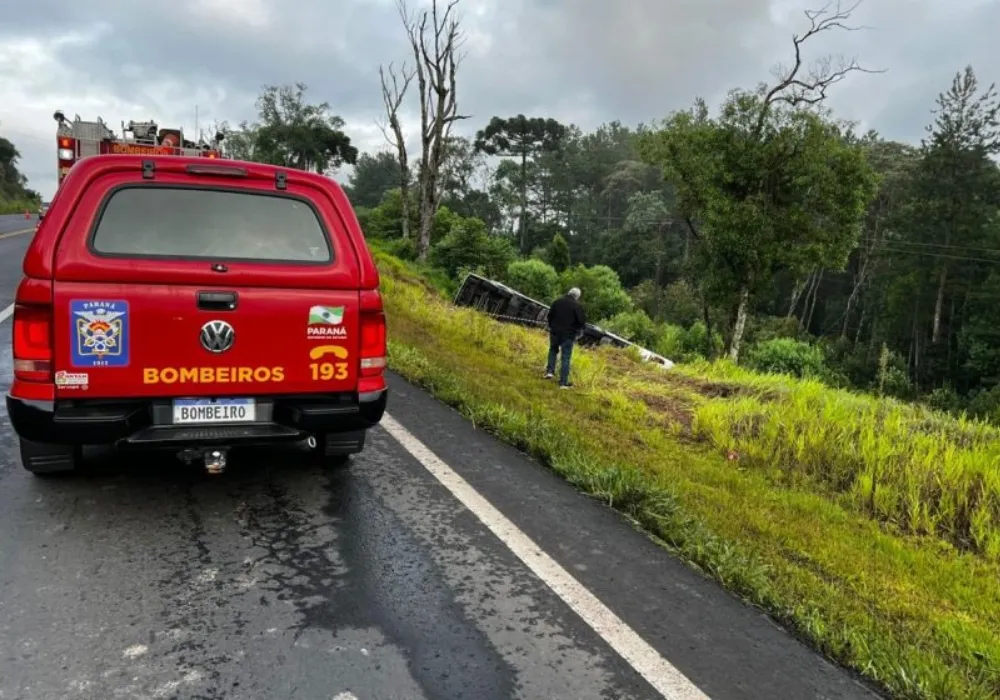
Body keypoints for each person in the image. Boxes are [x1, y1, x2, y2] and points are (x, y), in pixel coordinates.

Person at [544, 287, 586, 389]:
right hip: (568, 335)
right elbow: (581, 322)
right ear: (577, 296)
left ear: (568, 293)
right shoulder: (577, 306)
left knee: (553, 350)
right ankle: (563, 382)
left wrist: (552, 325)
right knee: (565, 357)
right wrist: (577, 331)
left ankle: (549, 372)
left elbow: (549, 316)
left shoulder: (557, 301)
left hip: (554, 331)